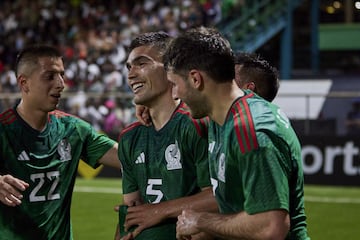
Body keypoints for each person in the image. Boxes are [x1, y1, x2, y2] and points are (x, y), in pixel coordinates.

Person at [163, 27, 310, 240]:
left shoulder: (252, 131)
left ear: (196, 79)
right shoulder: (223, 111)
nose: (175, 95)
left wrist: (201, 221)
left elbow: (271, 227)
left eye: (175, 85)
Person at [0, 45, 121, 240]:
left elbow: (129, 158)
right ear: (24, 83)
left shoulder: (73, 129)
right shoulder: (3, 131)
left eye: (61, 75)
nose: (60, 84)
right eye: (49, 76)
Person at [114, 31, 218, 240]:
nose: (131, 74)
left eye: (141, 63)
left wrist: (158, 211)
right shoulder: (129, 137)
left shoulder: (195, 125)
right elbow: (131, 213)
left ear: (172, 69)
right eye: (128, 67)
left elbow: (218, 198)